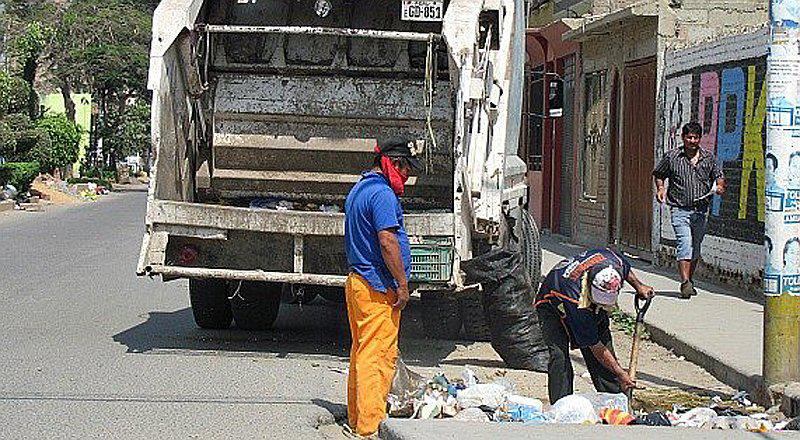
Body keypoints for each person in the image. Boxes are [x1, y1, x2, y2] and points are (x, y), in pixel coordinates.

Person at [343, 136, 421, 437]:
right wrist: (402, 284)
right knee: (377, 356)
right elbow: (387, 241)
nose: (406, 176)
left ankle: (357, 417)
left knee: (362, 351)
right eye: (405, 170)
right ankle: (370, 425)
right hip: (377, 287)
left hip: (359, 283)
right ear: (393, 162)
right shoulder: (382, 195)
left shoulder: (359, 190)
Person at [534, 248, 655, 404]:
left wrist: (639, 286)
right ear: (590, 285)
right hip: (552, 308)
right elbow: (595, 346)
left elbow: (626, 269)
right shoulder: (574, 296)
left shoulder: (614, 264)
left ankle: (615, 399)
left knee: (606, 356)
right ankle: (562, 405)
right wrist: (621, 373)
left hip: (589, 303)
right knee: (559, 357)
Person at [653, 122, 725, 299]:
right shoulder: (672, 157)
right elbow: (659, 174)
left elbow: (718, 176)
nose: (692, 141)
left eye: (696, 137)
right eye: (689, 137)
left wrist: (720, 186)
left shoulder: (708, 158)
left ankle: (689, 281)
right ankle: (685, 282)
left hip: (700, 210)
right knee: (684, 244)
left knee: (695, 247)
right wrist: (661, 189)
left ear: (700, 138)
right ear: (683, 138)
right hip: (680, 209)